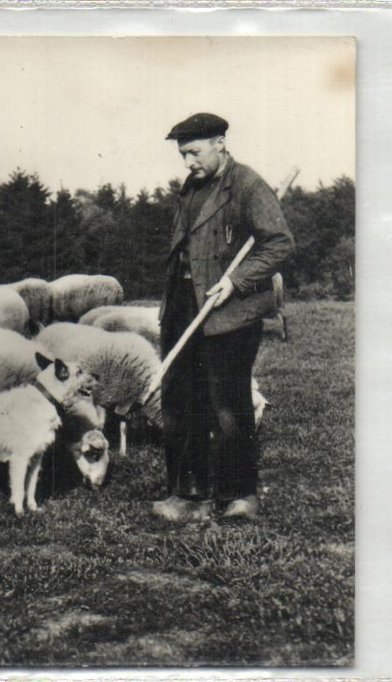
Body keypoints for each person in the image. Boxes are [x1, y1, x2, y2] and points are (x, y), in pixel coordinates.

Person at [154, 113, 294, 522]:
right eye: (183, 155)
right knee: (180, 401)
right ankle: (189, 495)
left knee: (227, 405)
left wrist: (236, 282)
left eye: (194, 152)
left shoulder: (248, 185)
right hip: (183, 305)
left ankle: (240, 497)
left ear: (219, 142)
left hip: (229, 312)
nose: (188, 162)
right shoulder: (190, 188)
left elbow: (279, 245)